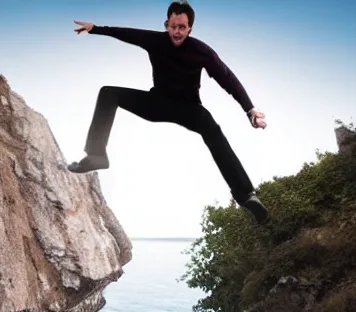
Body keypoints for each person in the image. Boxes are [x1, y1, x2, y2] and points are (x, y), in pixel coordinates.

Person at [67, 1, 269, 224]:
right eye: (173, 26)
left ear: (190, 28)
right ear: (167, 25)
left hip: (189, 108)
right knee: (108, 93)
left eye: (182, 27)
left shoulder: (202, 52)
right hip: (158, 103)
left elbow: (228, 80)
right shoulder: (155, 41)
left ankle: (246, 195)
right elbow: (125, 33)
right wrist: (95, 29)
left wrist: (249, 109)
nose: (177, 32)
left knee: (214, 131)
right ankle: (96, 155)